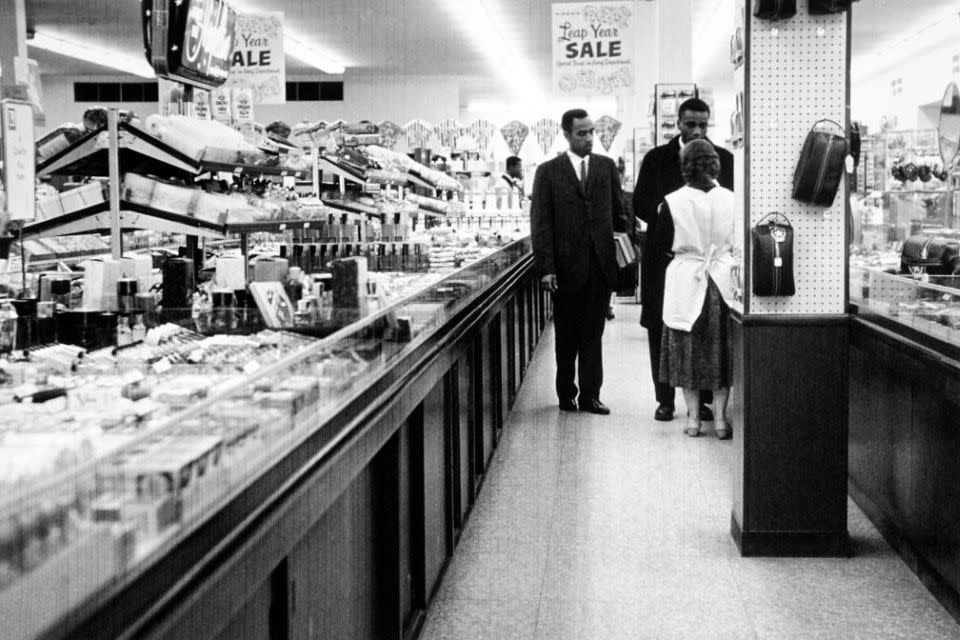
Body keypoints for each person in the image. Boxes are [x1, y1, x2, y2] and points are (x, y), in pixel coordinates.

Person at [633, 97, 733, 423]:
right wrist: (670, 215)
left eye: (703, 124)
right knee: (660, 326)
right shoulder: (656, 159)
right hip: (663, 260)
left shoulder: (725, 159)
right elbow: (640, 203)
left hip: (708, 260)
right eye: (691, 124)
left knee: (705, 327)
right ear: (678, 123)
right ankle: (664, 399)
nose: (697, 130)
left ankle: (703, 399)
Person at [531, 108, 630, 415]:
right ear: (566, 135)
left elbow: (619, 212)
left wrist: (623, 251)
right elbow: (541, 222)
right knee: (566, 336)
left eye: (591, 132)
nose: (589, 138)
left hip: (600, 267)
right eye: (582, 133)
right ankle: (566, 394)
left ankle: (591, 395)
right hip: (564, 269)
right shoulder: (548, 171)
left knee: (593, 335)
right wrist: (546, 268)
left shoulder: (605, 167)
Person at [657, 139, 736, 439]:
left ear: (684, 166)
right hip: (722, 281)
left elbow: (662, 245)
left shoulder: (672, 201)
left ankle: (692, 420)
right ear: (715, 163)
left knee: (687, 352)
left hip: (686, 280)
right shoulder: (732, 199)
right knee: (720, 353)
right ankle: (720, 421)